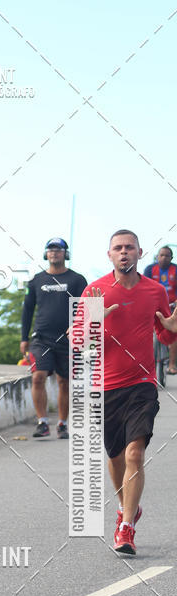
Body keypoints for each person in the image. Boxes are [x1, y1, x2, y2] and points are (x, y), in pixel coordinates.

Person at [83, 230, 177, 554]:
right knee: (115, 456)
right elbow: (82, 344)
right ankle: (128, 507)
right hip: (105, 386)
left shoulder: (156, 290)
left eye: (129, 248)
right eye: (118, 248)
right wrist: (89, 329)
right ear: (109, 254)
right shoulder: (94, 290)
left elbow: (164, 335)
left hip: (142, 383)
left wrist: (172, 330)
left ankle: (126, 528)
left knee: (135, 452)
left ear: (140, 252)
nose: (124, 253)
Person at [20, 238, 88, 438]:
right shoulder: (36, 280)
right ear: (45, 254)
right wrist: (24, 337)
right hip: (41, 338)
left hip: (69, 339)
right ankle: (42, 422)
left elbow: (86, 307)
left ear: (65, 254)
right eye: (50, 249)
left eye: (58, 249)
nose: (54, 253)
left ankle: (62, 423)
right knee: (38, 377)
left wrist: (84, 333)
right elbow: (27, 310)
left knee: (64, 382)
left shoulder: (77, 280)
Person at [143, 246, 177, 374]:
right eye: (161, 255)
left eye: (167, 255)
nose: (163, 258)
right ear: (157, 256)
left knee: (174, 331)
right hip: (153, 305)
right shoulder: (150, 269)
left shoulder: (175, 270)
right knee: (148, 332)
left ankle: (172, 364)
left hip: (172, 306)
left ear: (171, 258)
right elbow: (143, 287)